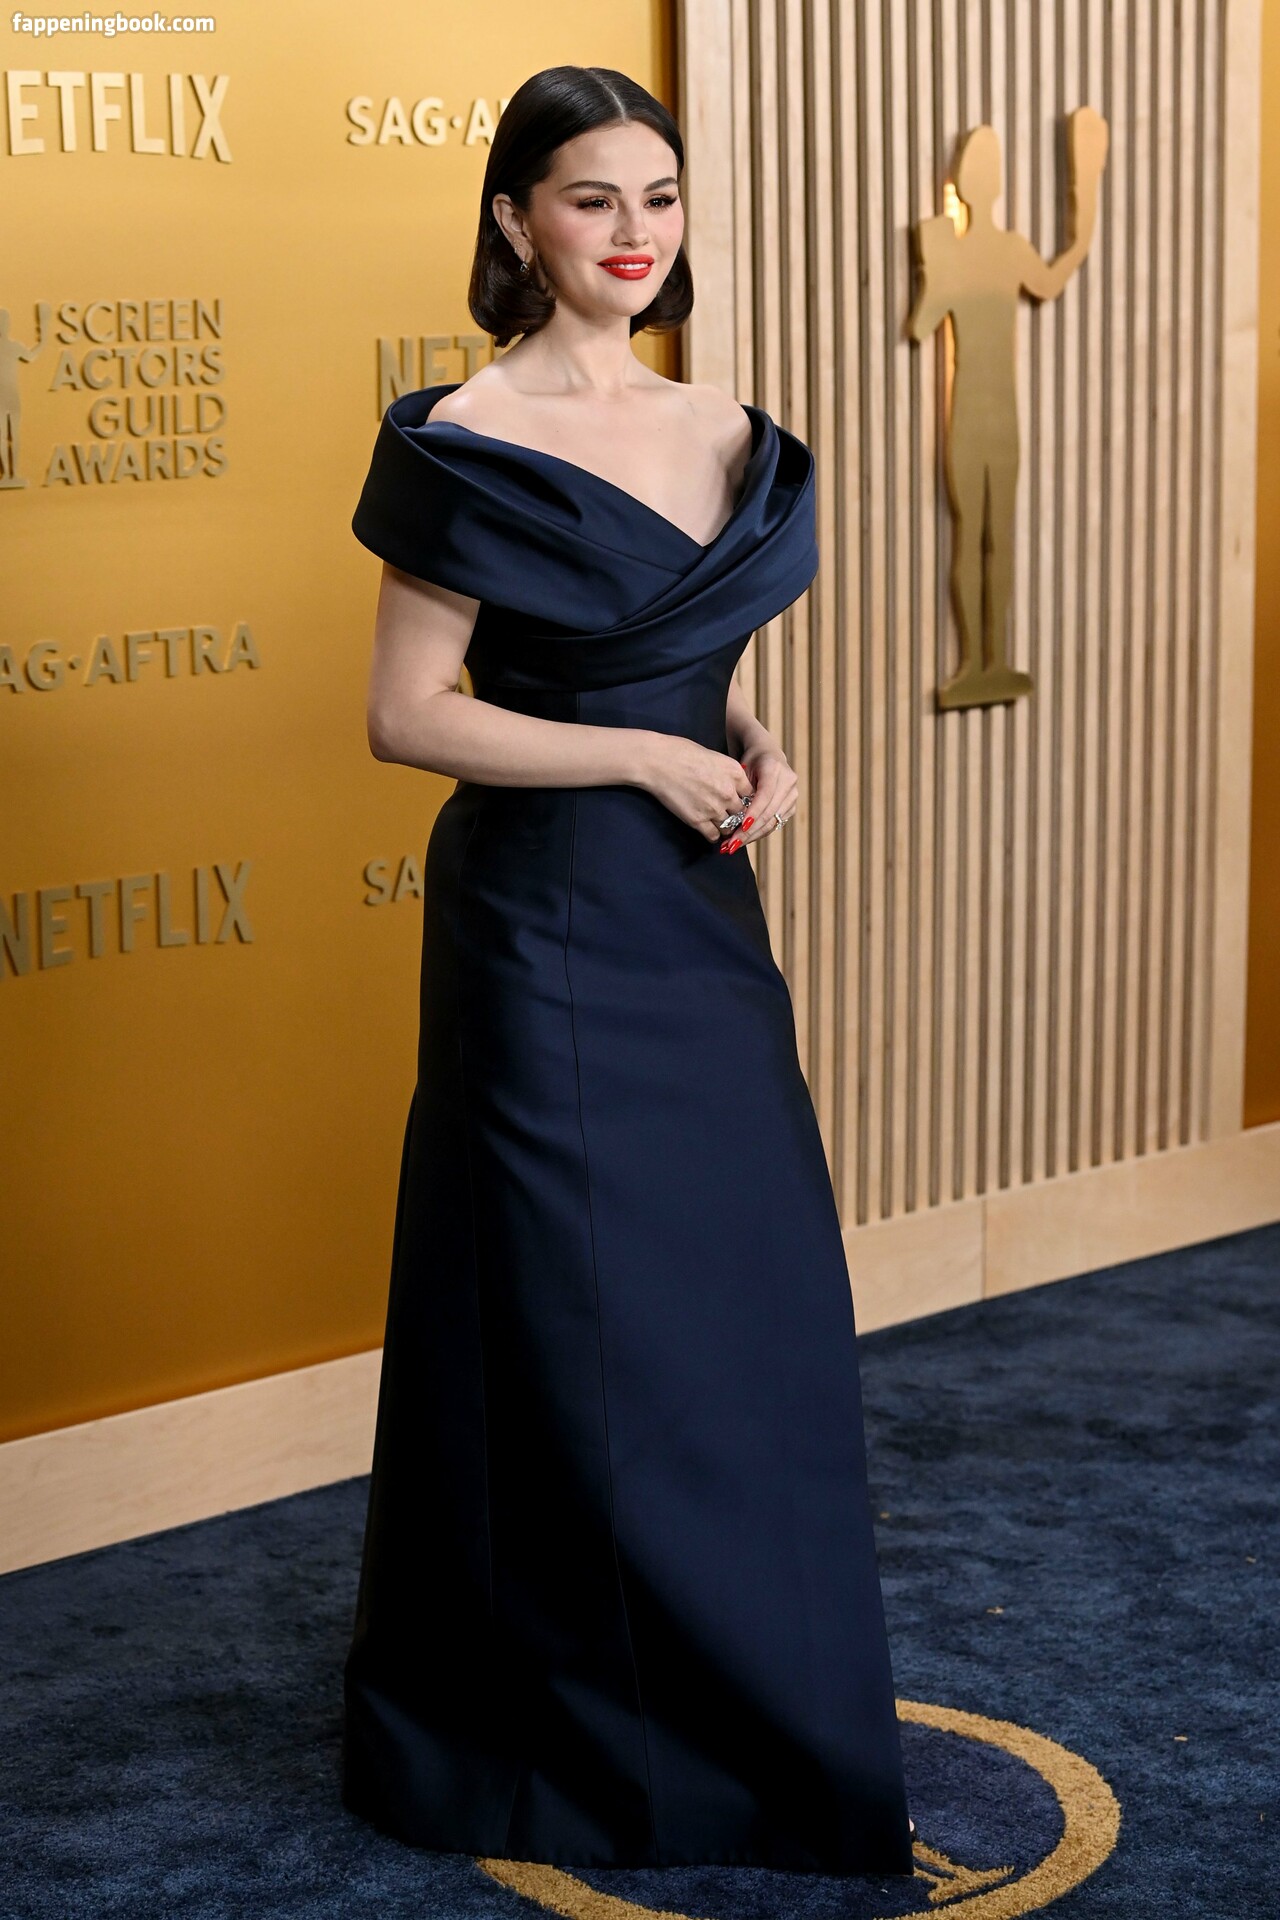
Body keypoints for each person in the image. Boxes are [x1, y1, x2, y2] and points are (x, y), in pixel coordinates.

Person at [341, 63, 916, 1876]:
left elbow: (690, 657)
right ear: (516, 220)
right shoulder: (463, 435)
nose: (634, 234)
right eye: (592, 198)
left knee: (740, 1309)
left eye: (658, 197)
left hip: (696, 917)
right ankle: (562, 1731)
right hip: (541, 927)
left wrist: (749, 741)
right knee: (569, 1319)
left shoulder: (722, 422)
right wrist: (641, 761)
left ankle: (754, 1707)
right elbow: (407, 714)